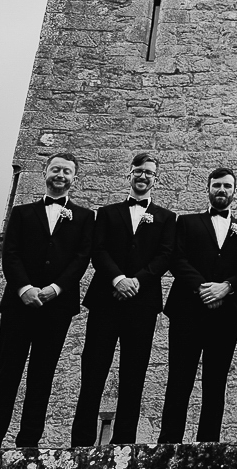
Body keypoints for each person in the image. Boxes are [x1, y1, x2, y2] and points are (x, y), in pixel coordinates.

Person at [0, 151, 96, 449]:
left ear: (74, 178)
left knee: (42, 375)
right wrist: (24, 289)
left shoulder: (85, 218)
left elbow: (81, 258)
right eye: (55, 169)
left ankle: (28, 442)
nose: (60, 175)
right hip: (19, 305)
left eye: (67, 171)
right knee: (7, 371)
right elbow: (11, 253)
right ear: (46, 172)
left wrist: (56, 288)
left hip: (57, 307)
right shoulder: (21, 212)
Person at [70, 152, 177, 446]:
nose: (143, 176)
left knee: (135, 373)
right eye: (139, 171)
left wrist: (137, 281)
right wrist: (118, 279)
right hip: (106, 298)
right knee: (92, 370)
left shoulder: (167, 218)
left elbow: (165, 255)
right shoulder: (106, 213)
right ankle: (80, 442)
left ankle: (124, 443)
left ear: (157, 179)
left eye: (150, 173)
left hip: (142, 304)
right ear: (129, 174)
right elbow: (98, 250)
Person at [159, 166, 237, 442]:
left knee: (216, 381)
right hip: (188, 310)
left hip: (227, 315)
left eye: (227, 186)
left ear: (235, 192)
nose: (221, 190)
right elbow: (177, 259)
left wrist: (227, 287)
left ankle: (208, 444)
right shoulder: (186, 223)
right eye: (217, 186)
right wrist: (203, 288)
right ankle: (169, 443)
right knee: (179, 379)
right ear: (208, 189)